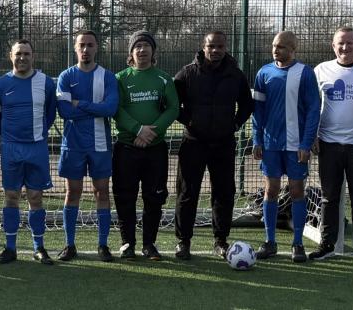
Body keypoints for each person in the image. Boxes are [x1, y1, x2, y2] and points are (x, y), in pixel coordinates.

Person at [172, 31, 253, 260]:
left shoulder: (235, 75)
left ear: (225, 48)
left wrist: (235, 124)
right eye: (211, 46)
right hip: (193, 143)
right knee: (188, 192)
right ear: (203, 47)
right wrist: (187, 120)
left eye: (219, 46)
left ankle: (220, 241)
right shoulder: (187, 73)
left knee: (224, 193)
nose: (215, 50)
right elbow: (171, 102)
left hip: (223, 143)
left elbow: (247, 105)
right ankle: (183, 241)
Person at [309, 27, 353, 263]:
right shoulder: (321, 70)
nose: (345, 47)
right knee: (329, 198)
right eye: (340, 43)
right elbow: (310, 106)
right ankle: (327, 244)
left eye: (350, 43)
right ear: (333, 46)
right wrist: (313, 135)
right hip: (328, 144)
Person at [251, 31, 320, 263]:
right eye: (274, 46)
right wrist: (257, 139)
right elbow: (257, 111)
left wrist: (306, 142)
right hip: (270, 145)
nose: (275, 50)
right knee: (270, 191)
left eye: (281, 46)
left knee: (297, 191)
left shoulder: (306, 73)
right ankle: (270, 242)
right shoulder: (264, 72)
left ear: (293, 49)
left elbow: (313, 110)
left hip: (295, 146)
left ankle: (297, 243)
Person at [0, 40, 57, 265]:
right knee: (11, 197)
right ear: (11, 56)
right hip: (11, 149)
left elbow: (50, 114)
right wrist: (11, 136)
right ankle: (10, 248)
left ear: (33, 56)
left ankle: (39, 247)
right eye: (18, 54)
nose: (22, 58)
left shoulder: (46, 83)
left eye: (26, 54)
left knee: (36, 197)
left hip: (36, 148)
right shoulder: (0, 86)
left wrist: (35, 133)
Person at [113, 31, 179, 260]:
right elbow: (116, 110)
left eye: (146, 46)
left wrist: (152, 132)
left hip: (155, 149)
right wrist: (137, 130)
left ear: (153, 51)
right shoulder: (121, 78)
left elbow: (173, 108)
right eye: (137, 46)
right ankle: (127, 243)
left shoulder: (163, 79)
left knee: (154, 197)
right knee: (125, 196)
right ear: (131, 52)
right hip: (126, 148)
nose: (142, 50)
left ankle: (149, 244)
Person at [55, 30, 119, 262]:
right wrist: (95, 107)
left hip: (100, 145)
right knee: (73, 192)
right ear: (75, 48)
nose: (85, 49)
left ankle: (102, 245)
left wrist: (80, 103)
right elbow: (64, 111)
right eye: (81, 45)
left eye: (90, 45)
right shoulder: (65, 77)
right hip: (73, 145)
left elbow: (110, 109)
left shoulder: (108, 77)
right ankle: (69, 244)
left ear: (97, 48)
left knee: (101, 191)